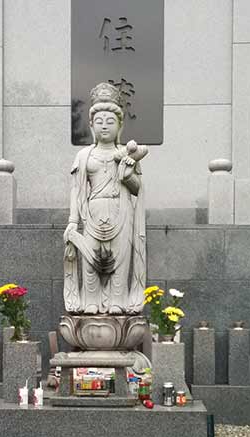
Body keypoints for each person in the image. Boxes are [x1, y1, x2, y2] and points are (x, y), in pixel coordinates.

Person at [63, 82, 147, 315]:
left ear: (120, 125)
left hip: (121, 210)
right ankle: (90, 301)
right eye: (99, 122)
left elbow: (136, 189)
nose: (104, 126)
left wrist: (128, 173)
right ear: (91, 125)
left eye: (110, 122)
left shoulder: (127, 156)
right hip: (92, 212)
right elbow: (76, 190)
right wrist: (73, 221)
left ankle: (117, 300)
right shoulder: (83, 156)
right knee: (90, 260)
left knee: (120, 258)